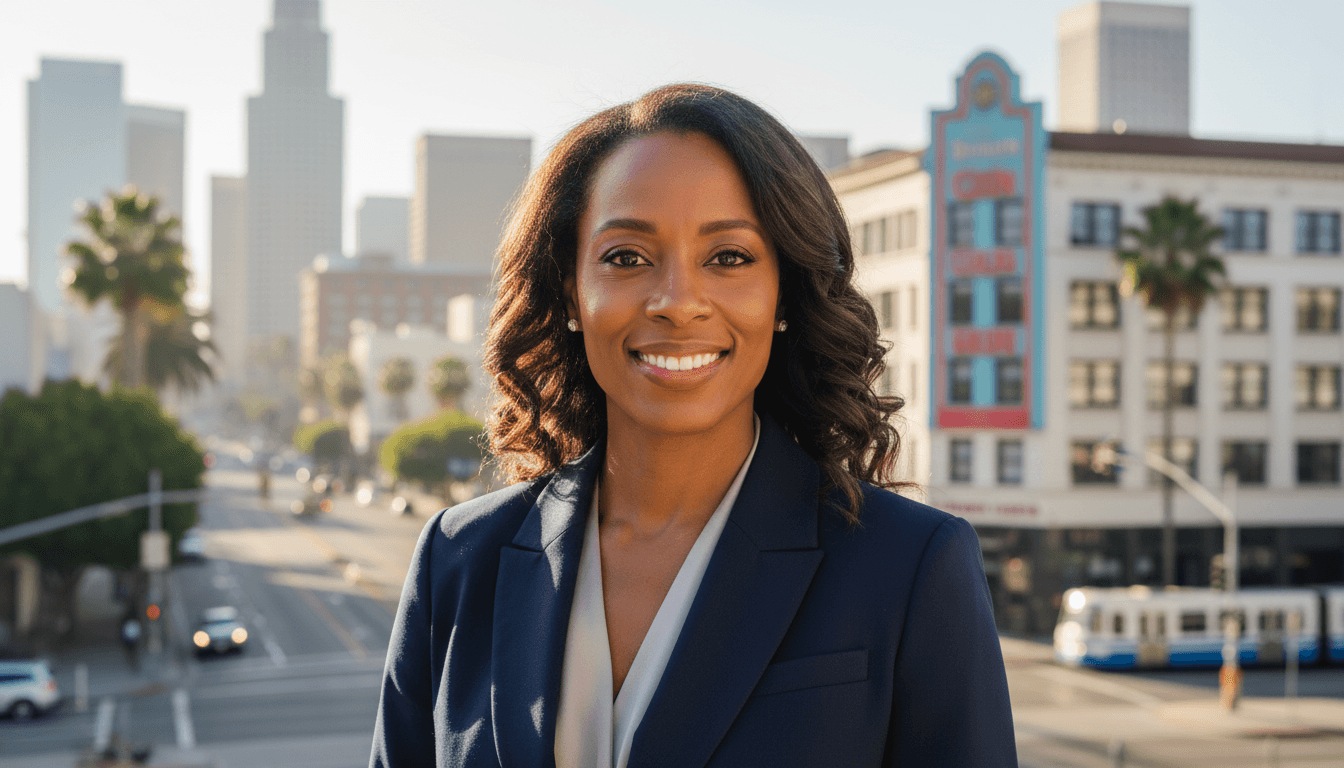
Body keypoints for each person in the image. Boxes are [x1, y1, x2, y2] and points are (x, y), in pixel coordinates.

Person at [371, 84, 1016, 767]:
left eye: (729, 257)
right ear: (570, 291)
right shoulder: (459, 559)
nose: (678, 302)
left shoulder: (910, 566)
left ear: (783, 294)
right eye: (626, 257)